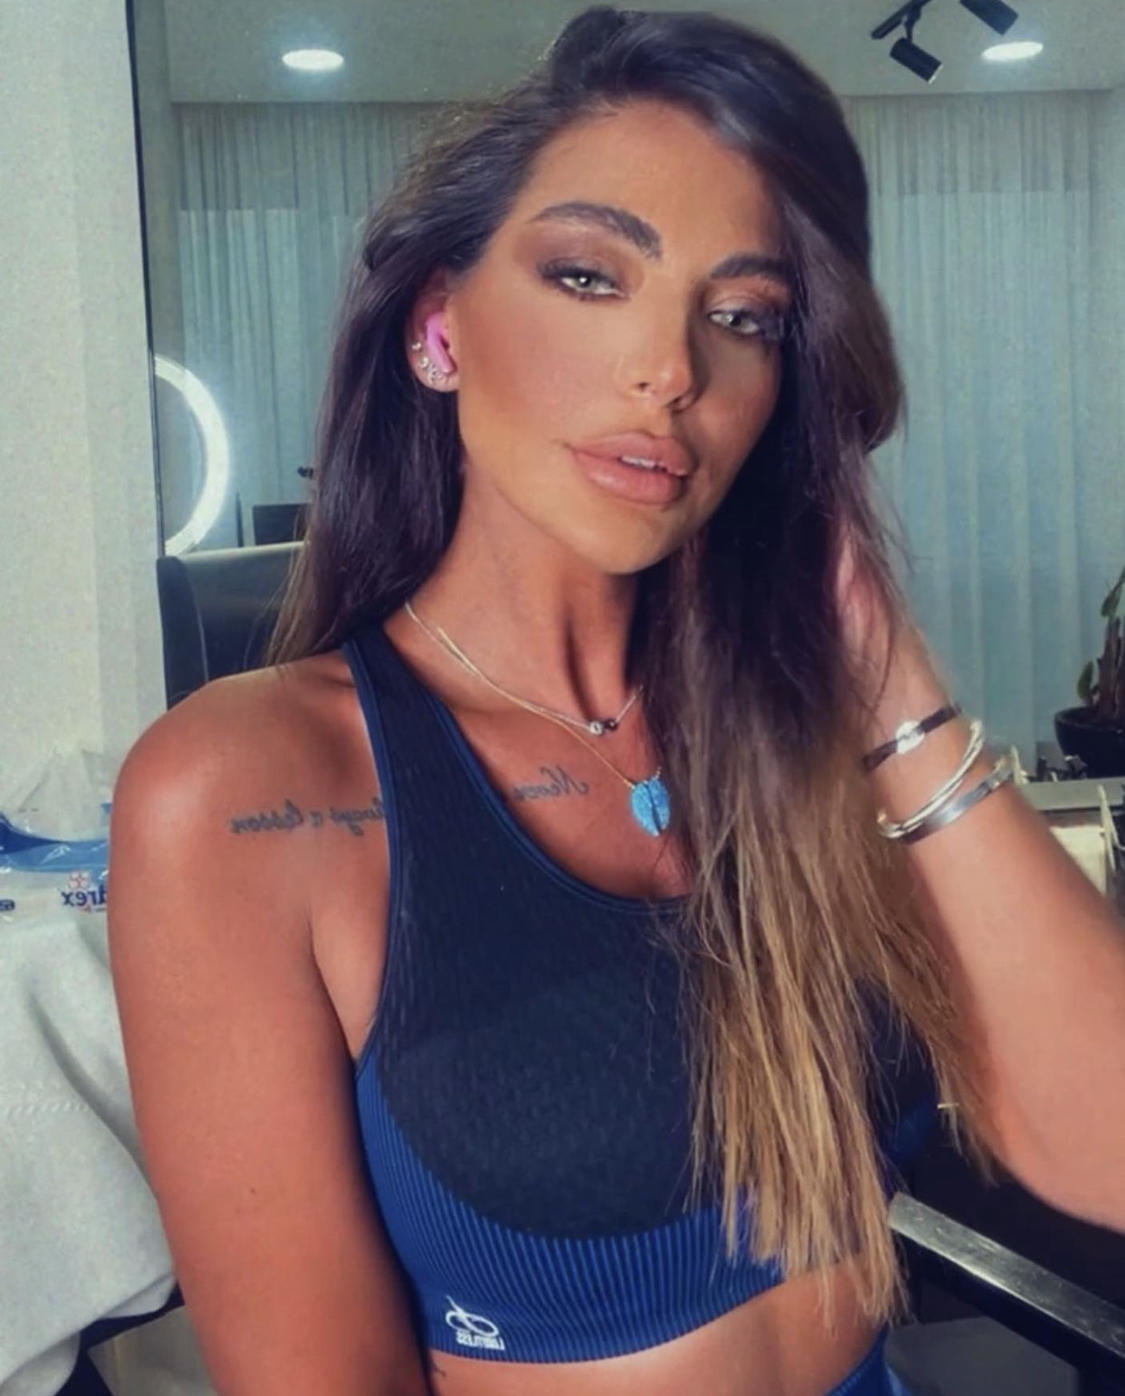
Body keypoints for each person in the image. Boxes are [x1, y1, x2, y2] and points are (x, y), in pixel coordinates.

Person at [107, 8, 1125, 1396]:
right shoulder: (246, 791)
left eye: (743, 316)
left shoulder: (796, 725)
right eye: (589, 275)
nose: (672, 371)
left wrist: (888, 675)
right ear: (439, 327)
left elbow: (1105, 1148)